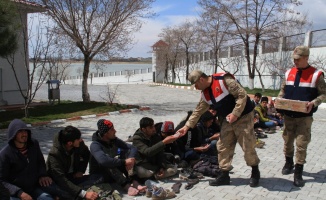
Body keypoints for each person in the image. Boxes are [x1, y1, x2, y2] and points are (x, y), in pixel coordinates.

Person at [176, 70, 260, 187]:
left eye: (196, 85)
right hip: (227, 119)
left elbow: (242, 95)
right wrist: (186, 126)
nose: (196, 88)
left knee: (247, 145)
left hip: (243, 116)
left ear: (201, 79)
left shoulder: (224, 80)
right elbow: (198, 110)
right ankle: (224, 175)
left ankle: (255, 172)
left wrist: (235, 113)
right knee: (223, 146)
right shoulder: (205, 93)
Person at [277, 46, 326, 187]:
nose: (295, 61)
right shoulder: (288, 73)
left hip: (304, 118)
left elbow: (323, 94)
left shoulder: (317, 75)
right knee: (287, 141)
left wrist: (314, 102)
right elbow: (282, 91)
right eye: (294, 59)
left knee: (301, 145)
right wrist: (279, 101)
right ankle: (288, 163)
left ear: (306, 58)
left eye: (298, 59)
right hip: (288, 116)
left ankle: (298, 172)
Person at [0, 119, 54, 200]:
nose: (24, 134)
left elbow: (40, 161)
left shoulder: (33, 144)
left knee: (47, 198)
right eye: (20, 131)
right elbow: (2, 181)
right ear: (13, 134)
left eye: (26, 131)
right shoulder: (5, 154)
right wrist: (19, 193)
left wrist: (43, 175)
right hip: (15, 193)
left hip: (33, 187)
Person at [89, 119, 145, 196]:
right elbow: (103, 161)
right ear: (105, 133)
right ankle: (126, 186)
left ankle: (134, 181)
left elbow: (132, 148)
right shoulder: (95, 145)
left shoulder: (113, 140)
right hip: (99, 177)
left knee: (127, 154)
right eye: (112, 129)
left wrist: (130, 159)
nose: (115, 131)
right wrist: (124, 162)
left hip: (113, 175)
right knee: (109, 161)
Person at [46, 125, 103, 200]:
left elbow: (86, 154)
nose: (80, 140)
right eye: (78, 139)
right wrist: (84, 194)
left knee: (99, 177)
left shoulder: (79, 144)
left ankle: (75, 191)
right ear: (70, 143)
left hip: (73, 177)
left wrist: (81, 170)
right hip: (59, 182)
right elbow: (61, 179)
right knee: (55, 189)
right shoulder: (54, 154)